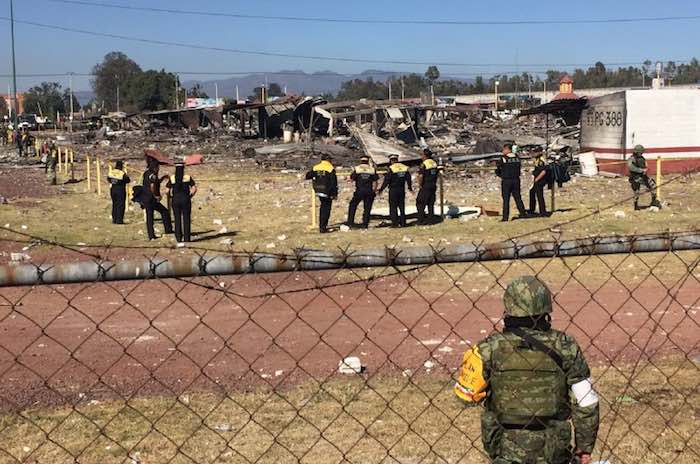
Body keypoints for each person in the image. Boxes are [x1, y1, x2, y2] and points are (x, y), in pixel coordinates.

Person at [455, 276, 600, 464]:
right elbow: (586, 401)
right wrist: (584, 448)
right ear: (546, 307)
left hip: (505, 450)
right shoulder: (565, 346)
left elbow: (464, 395)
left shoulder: (487, 349)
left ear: (508, 307)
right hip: (554, 451)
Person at [142, 158, 173, 240]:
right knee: (165, 212)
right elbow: (152, 186)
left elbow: (155, 182)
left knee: (149, 217)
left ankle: (151, 235)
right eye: (158, 167)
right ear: (155, 167)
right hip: (151, 198)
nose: (158, 168)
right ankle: (168, 230)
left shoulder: (146, 173)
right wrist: (156, 195)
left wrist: (163, 178)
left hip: (145, 197)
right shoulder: (153, 175)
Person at [305, 154, 338, 233]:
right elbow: (333, 182)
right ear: (328, 160)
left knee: (322, 207)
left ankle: (322, 226)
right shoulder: (330, 168)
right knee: (326, 209)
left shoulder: (316, 167)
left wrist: (316, 176)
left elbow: (307, 176)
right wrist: (334, 194)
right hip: (327, 191)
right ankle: (323, 227)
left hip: (318, 190)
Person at [496, 142, 528, 222]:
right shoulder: (517, 157)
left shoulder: (503, 158)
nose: (503, 151)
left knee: (506, 199)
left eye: (504, 149)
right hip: (516, 180)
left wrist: (501, 175)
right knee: (518, 198)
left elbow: (498, 169)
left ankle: (505, 217)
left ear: (507, 149)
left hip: (507, 180)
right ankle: (523, 214)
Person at [378, 154, 412, 228]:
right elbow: (408, 178)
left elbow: (386, 180)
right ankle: (403, 223)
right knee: (401, 207)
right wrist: (410, 188)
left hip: (393, 190)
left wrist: (381, 189)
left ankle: (395, 223)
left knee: (393, 207)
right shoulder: (404, 167)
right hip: (401, 189)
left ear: (391, 160)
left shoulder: (391, 168)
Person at [166, 163, 197, 243]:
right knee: (186, 219)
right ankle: (187, 238)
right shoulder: (187, 177)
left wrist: (170, 197)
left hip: (175, 199)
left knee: (177, 219)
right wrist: (190, 196)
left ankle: (178, 238)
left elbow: (167, 190)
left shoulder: (172, 178)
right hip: (185, 199)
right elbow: (194, 188)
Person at [347, 155, 379, 229]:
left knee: (353, 205)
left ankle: (350, 222)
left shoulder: (357, 169)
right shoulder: (372, 169)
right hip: (369, 191)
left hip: (359, 191)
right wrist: (374, 191)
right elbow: (375, 182)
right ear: (367, 161)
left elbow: (352, 179)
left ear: (361, 161)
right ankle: (365, 224)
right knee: (367, 208)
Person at [628, 145, 662, 210]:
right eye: (640, 152)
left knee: (652, 186)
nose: (641, 153)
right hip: (636, 177)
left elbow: (645, 165)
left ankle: (653, 202)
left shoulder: (641, 158)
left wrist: (645, 169)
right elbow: (630, 167)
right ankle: (636, 206)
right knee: (637, 191)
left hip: (642, 176)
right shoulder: (632, 158)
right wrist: (640, 170)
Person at [416, 149, 440, 225]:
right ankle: (431, 220)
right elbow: (437, 173)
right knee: (430, 204)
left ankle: (420, 220)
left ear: (425, 156)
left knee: (420, 203)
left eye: (422, 155)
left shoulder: (424, 164)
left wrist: (420, 184)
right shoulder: (434, 163)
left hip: (425, 185)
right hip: (433, 185)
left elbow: (421, 176)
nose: (421, 157)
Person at [107, 160, 130, 224]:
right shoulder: (122, 173)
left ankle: (114, 219)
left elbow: (108, 179)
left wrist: (114, 181)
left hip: (113, 189)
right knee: (121, 205)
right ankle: (119, 220)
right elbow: (128, 180)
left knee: (115, 204)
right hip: (120, 190)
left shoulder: (112, 171)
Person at [528, 152, 550, 217]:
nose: (533, 153)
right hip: (537, 179)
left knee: (539, 195)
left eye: (534, 152)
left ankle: (543, 212)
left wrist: (537, 178)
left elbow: (544, 171)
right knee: (532, 192)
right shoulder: (537, 160)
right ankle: (532, 209)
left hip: (540, 180)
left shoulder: (541, 160)